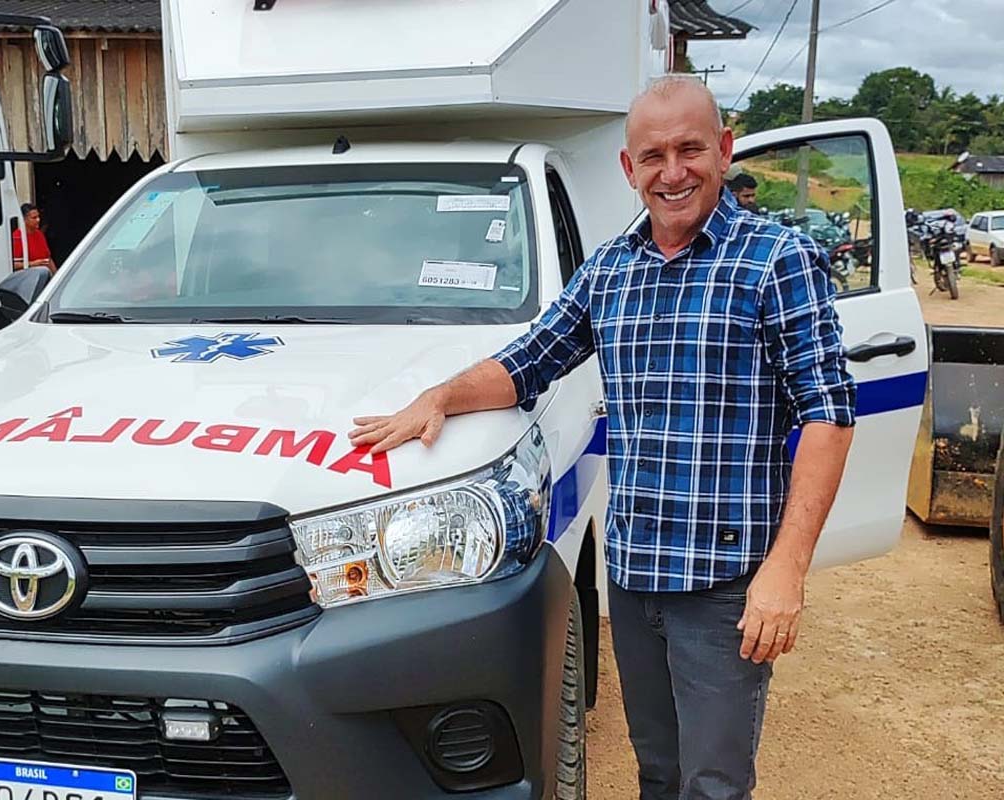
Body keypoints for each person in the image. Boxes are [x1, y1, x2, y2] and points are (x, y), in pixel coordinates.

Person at [348, 75, 855, 800]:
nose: (672, 172)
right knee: (658, 773)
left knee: (714, 784)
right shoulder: (612, 272)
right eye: (653, 155)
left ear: (724, 149)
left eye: (690, 149)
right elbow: (528, 360)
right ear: (629, 168)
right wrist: (443, 395)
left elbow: (828, 414)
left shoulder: (777, 262)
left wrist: (787, 569)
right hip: (635, 572)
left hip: (723, 584)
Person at [12, 203, 56, 273]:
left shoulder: (40, 234)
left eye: (38, 217)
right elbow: (12, 265)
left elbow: (48, 259)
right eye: (34, 218)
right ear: (24, 219)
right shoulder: (17, 237)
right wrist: (32, 264)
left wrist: (56, 275)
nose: (38, 220)